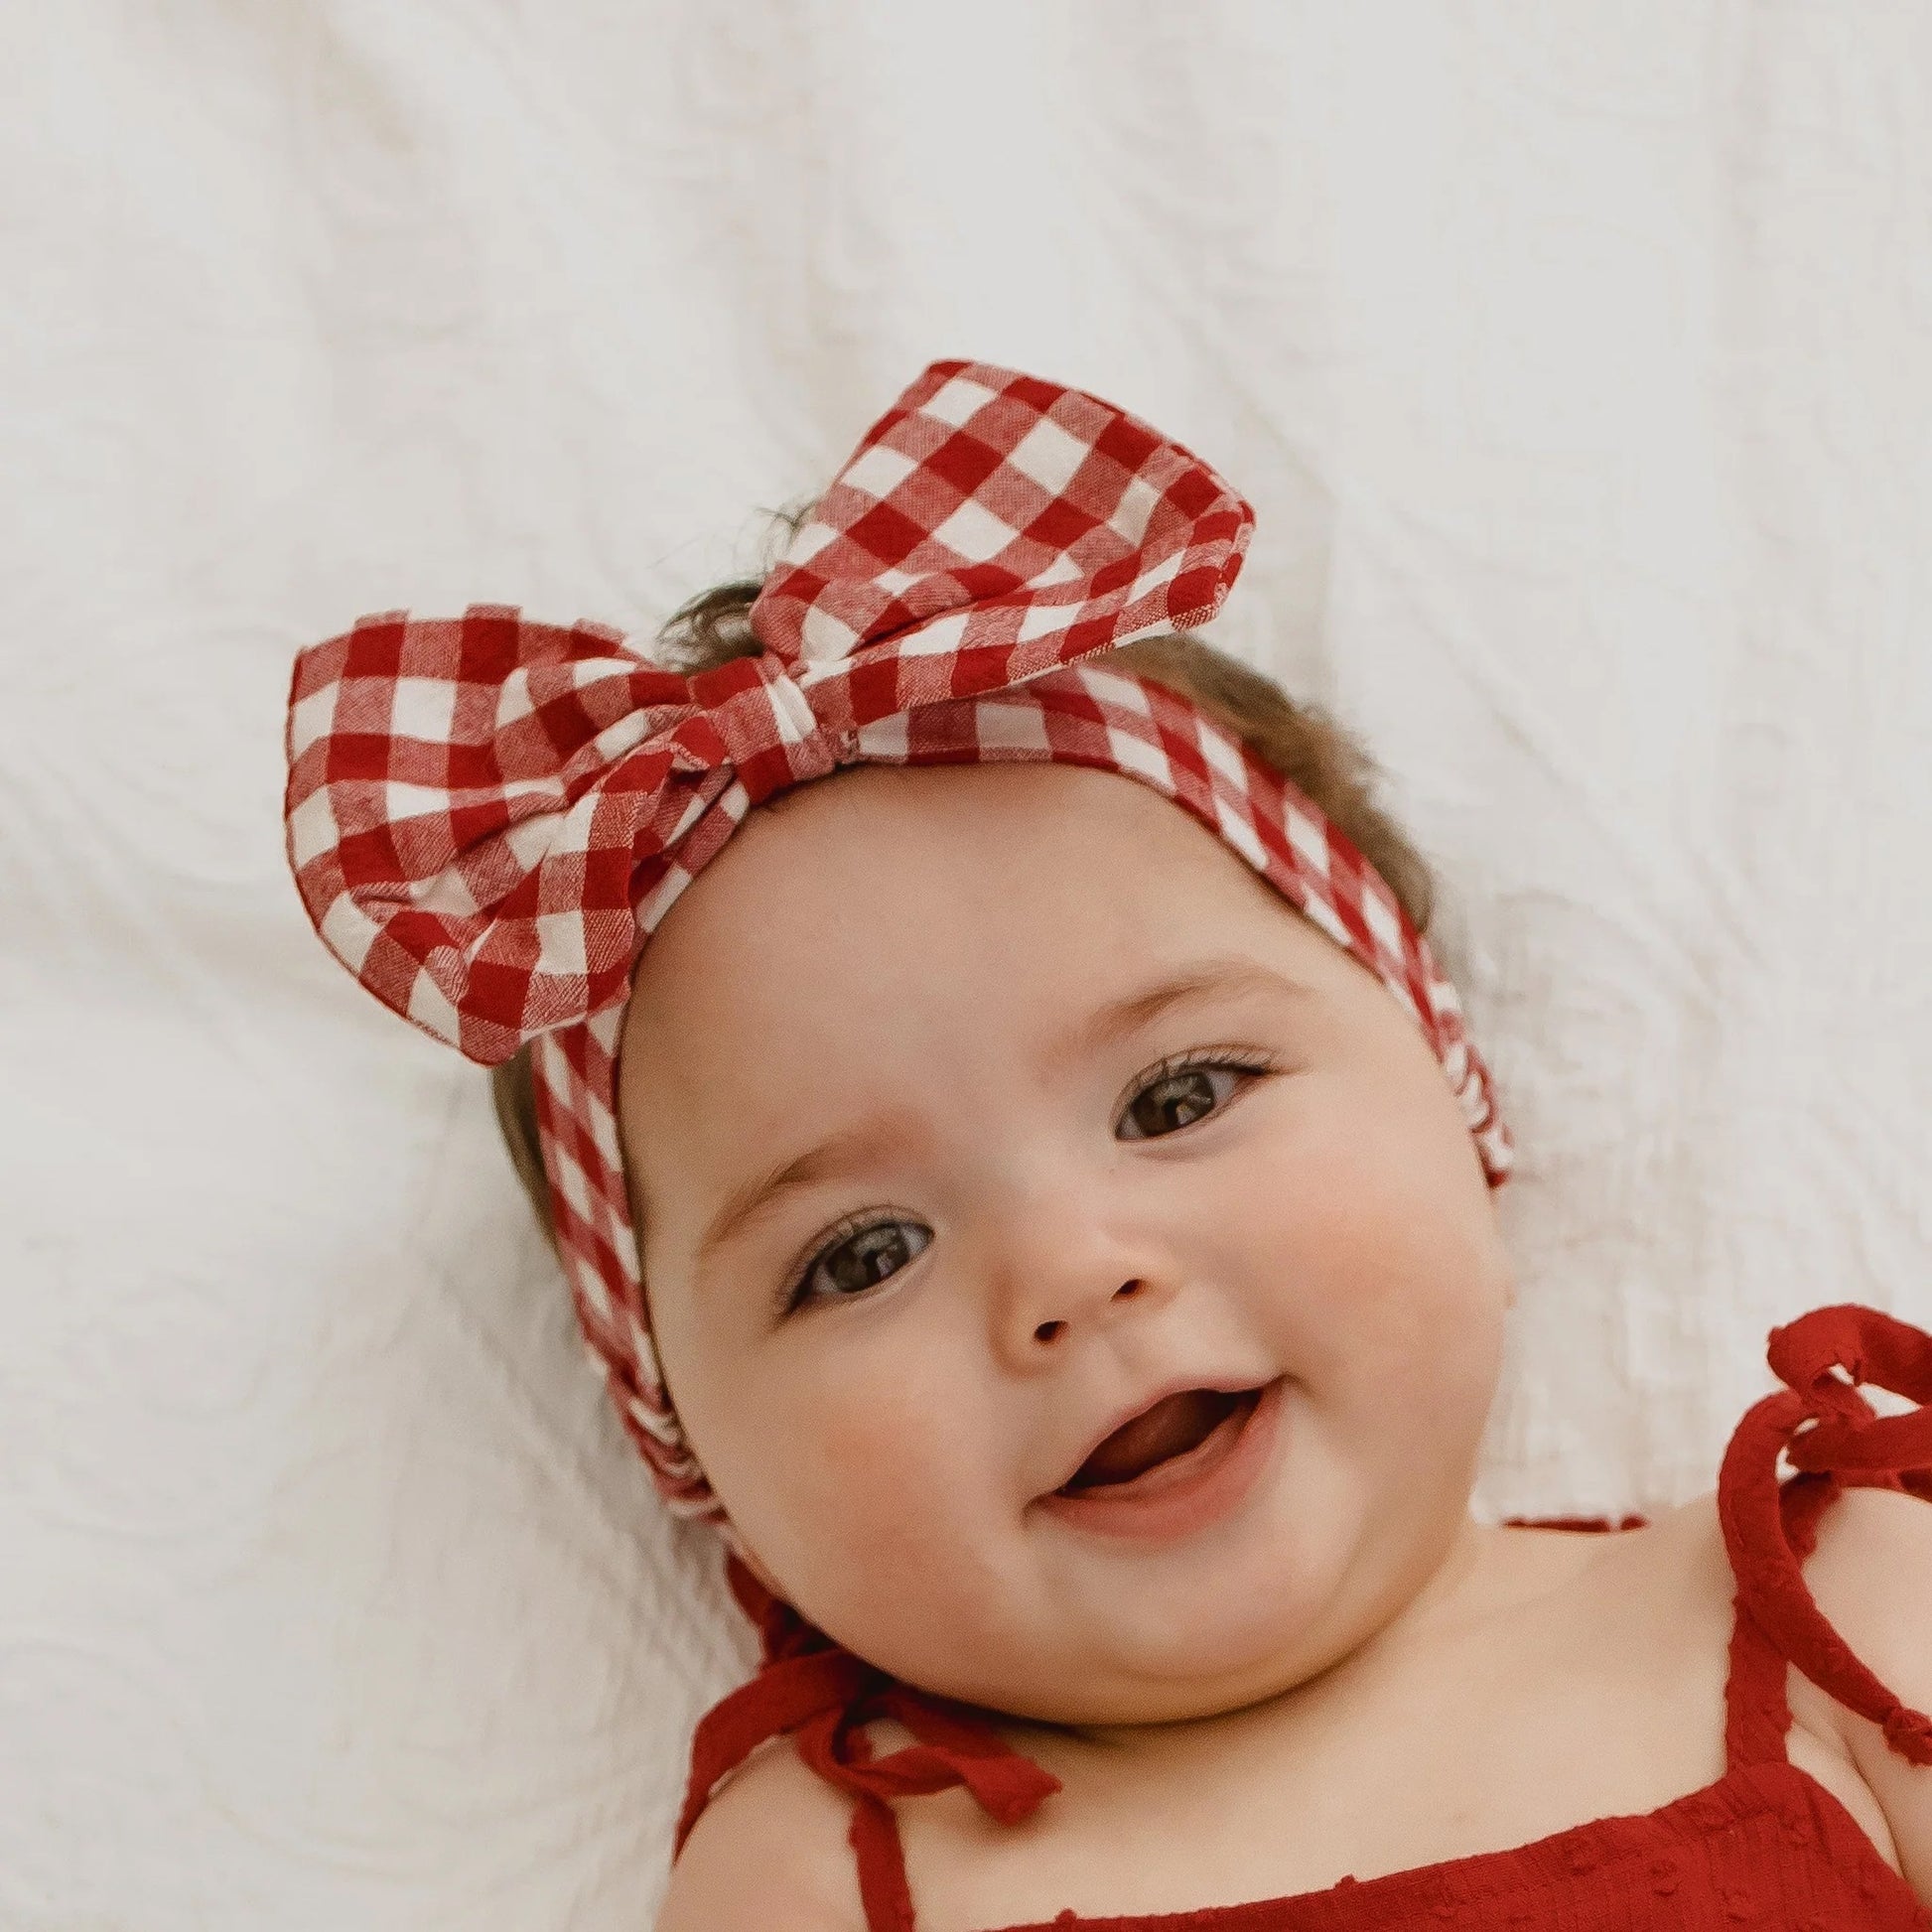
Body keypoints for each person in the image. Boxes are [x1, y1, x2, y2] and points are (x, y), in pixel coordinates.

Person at [284, 360, 1932, 1929]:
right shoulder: (824, 1870)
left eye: (1177, 1095)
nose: (1069, 1272)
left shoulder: (1831, 1612)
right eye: (861, 1254)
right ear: (686, 1446)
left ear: (1451, 1084)